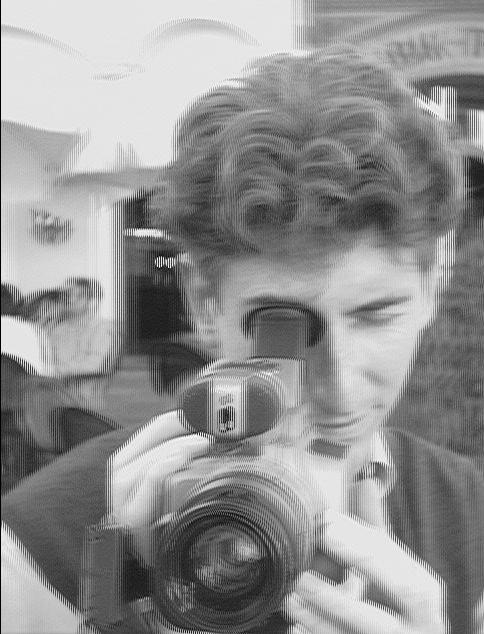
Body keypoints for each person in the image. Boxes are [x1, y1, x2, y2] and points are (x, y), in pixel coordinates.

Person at [2, 47, 484, 634]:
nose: (338, 384)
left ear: (431, 286)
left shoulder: (472, 525)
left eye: (376, 315)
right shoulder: (36, 547)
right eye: (284, 331)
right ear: (205, 302)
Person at [48, 277, 117, 406]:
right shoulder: (56, 330)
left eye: (78, 296)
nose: (71, 299)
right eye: (67, 295)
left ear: (89, 300)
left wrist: (56, 371)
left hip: (86, 400)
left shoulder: (102, 327)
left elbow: (96, 365)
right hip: (56, 396)